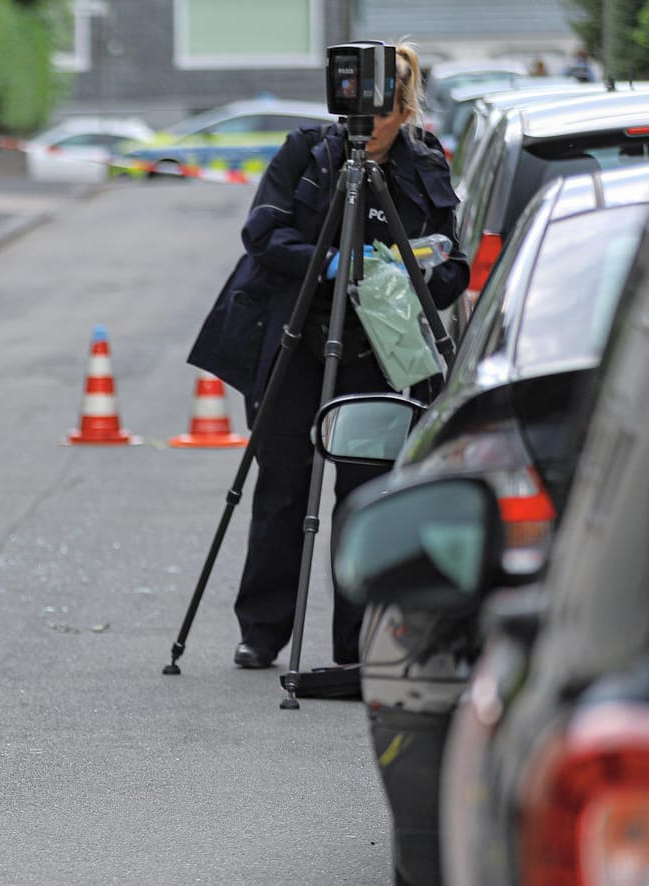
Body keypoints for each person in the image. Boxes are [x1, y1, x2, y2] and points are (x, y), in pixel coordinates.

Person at [187, 45, 469, 669]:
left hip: (380, 350)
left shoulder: (424, 161)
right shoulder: (308, 152)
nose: (365, 127)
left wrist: (415, 268)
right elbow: (263, 233)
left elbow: (454, 263)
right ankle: (262, 633)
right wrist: (337, 266)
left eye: (381, 114)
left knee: (367, 495)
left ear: (402, 110)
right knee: (283, 488)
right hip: (297, 339)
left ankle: (354, 644)